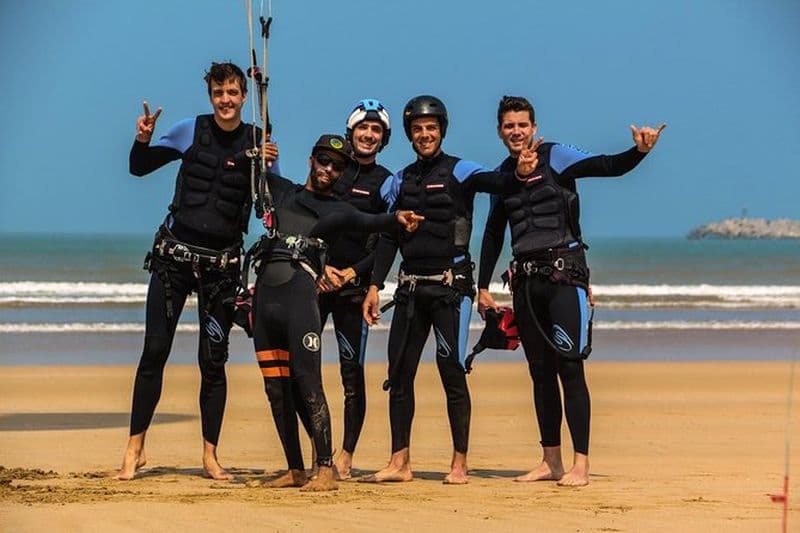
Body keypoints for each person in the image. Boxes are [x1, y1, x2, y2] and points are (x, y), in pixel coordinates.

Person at [477, 95, 665, 486]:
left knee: (570, 369)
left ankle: (581, 463)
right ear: (499, 132)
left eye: (522, 124)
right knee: (539, 373)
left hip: (564, 279)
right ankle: (550, 461)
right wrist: (482, 286)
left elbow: (608, 166)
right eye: (508, 126)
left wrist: (640, 151)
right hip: (526, 284)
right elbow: (494, 232)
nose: (516, 131)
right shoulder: (501, 177)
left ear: (533, 126)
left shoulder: (556, 156)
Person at [361, 95, 537, 484]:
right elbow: (388, 236)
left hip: (450, 290)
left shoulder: (461, 170)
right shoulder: (398, 180)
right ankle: (399, 462)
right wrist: (374, 285)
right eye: (418, 129)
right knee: (399, 374)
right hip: (409, 289)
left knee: (451, 372)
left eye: (431, 128)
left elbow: (499, 181)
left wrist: (521, 170)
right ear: (409, 134)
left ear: (441, 130)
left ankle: (459, 462)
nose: (425, 134)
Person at [115, 62, 277, 480]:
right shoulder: (192, 130)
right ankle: (135, 450)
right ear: (211, 97)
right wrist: (143, 138)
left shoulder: (259, 141)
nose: (226, 100)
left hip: (221, 268)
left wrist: (267, 167)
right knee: (155, 353)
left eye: (233, 93)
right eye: (219, 92)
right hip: (174, 260)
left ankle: (210, 456)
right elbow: (139, 167)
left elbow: (272, 206)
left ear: (244, 97)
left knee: (213, 361)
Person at [249, 134, 422, 491]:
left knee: (308, 381)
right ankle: (295, 468)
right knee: (276, 389)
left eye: (337, 166)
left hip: (300, 299)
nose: (329, 170)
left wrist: (399, 218)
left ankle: (325, 469)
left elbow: (373, 223)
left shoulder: (339, 210)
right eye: (324, 161)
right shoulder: (283, 192)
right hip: (265, 297)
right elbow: (244, 169)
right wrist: (257, 148)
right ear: (312, 160)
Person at [315, 99, 395, 480]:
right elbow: (305, 220)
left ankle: (346, 453)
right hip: (317, 283)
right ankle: (317, 451)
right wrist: (319, 269)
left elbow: (386, 240)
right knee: (305, 369)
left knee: (352, 373)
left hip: (352, 289)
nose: (368, 134)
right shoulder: (333, 170)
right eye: (363, 128)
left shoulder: (388, 182)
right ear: (351, 133)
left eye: (376, 129)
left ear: (383, 138)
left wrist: (361, 278)